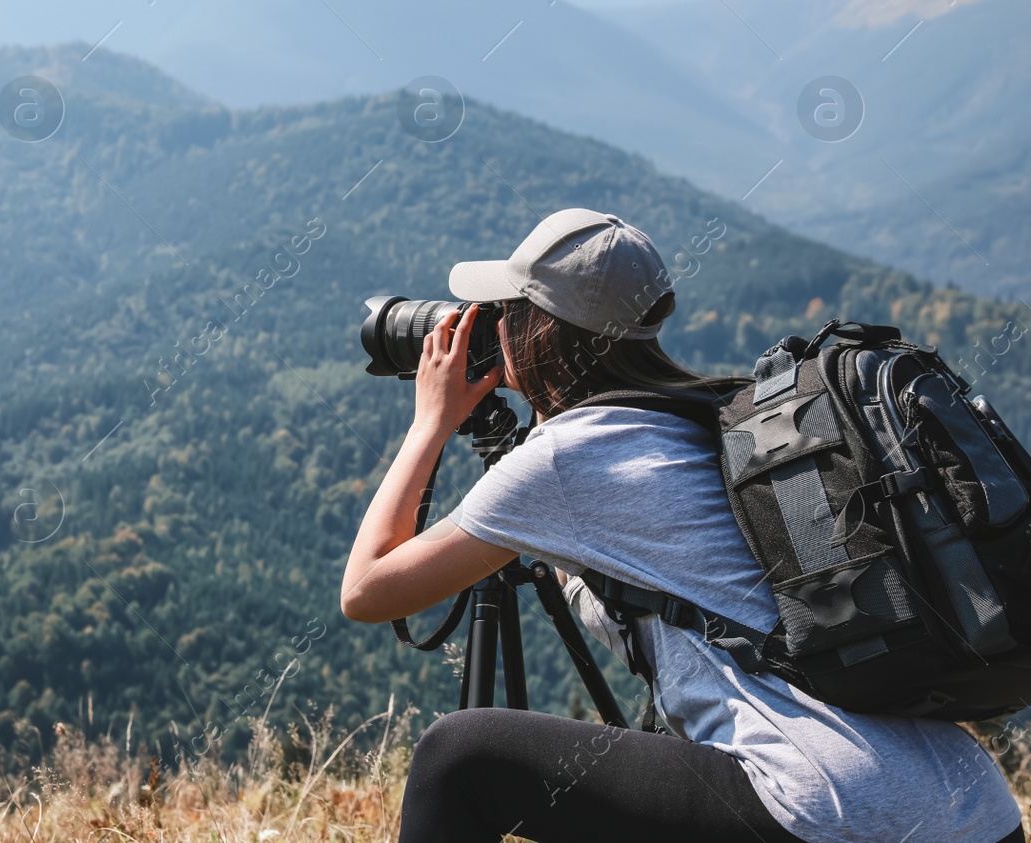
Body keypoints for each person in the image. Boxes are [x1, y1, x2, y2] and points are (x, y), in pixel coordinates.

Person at [340, 208, 1023, 843]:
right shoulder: (714, 418)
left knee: (457, 755)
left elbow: (367, 590)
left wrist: (431, 421)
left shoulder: (561, 460)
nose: (489, 325)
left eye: (503, 313)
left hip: (830, 809)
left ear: (535, 329)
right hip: (975, 810)